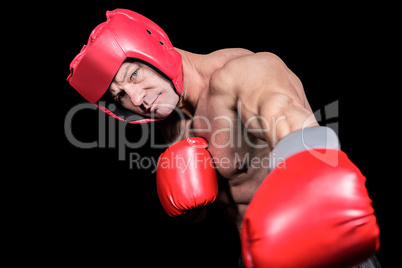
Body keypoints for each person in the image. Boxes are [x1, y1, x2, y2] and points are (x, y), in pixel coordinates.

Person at [67, 9, 380, 268]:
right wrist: (189, 209)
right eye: (119, 95)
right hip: (258, 258)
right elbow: (218, 203)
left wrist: (322, 188)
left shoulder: (240, 75)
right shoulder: (172, 125)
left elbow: (284, 113)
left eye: (133, 75)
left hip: (322, 242)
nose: (136, 98)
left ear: (154, 49)